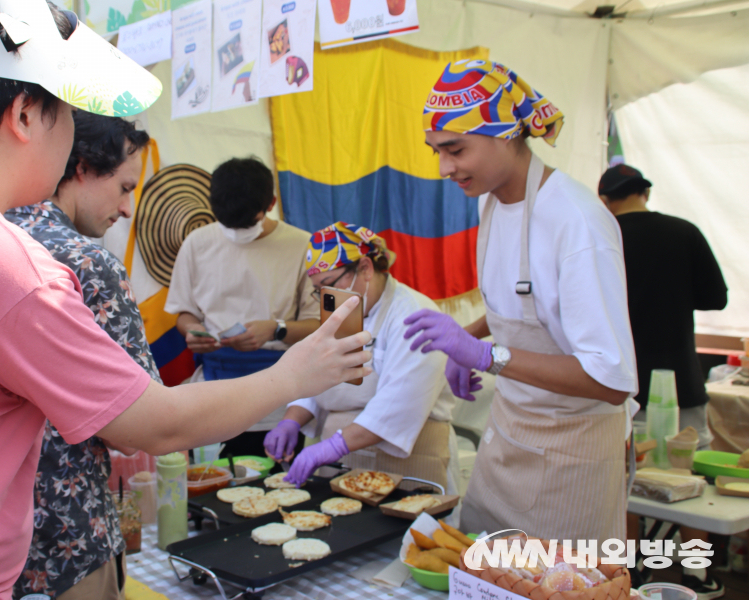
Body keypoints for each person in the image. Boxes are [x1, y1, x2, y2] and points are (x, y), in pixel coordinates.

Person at [0, 0, 371, 599]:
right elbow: (152, 425)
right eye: (68, 111)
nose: (71, 137)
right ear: (25, 114)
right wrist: (297, 373)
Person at [406, 59, 638, 542]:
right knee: (482, 575)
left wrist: (489, 356)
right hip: (510, 434)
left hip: (572, 453)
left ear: (507, 134)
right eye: (437, 152)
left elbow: (610, 377)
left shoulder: (576, 222)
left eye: (456, 150)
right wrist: (465, 339)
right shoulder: (489, 200)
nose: (446, 168)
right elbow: (521, 301)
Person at [5, 112, 154, 599]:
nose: (128, 208)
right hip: (69, 536)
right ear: (84, 167)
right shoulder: (87, 263)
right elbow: (143, 425)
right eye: (125, 186)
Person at [599, 163, 727, 599]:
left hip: (624, 387)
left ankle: (631, 573)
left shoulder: (606, 239)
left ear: (605, 201)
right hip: (683, 380)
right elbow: (717, 297)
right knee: (693, 481)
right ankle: (695, 573)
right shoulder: (684, 232)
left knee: (627, 480)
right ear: (645, 193)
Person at [265, 222, 461, 496]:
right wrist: (292, 420)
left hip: (412, 459)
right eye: (318, 289)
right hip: (347, 457)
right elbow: (320, 377)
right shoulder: (341, 308)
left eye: (330, 284)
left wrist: (331, 447)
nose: (326, 297)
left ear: (366, 268)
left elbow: (398, 405)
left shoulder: (415, 316)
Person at [165, 157, 321, 458]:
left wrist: (277, 328)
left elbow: (318, 324)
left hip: (278, 400)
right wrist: (192, 332)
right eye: (227, 224)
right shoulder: (197, 243)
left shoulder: (303, 245)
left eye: (247, 222)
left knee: (278, 494)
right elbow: (184, 313)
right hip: (213, 390)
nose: (236, 232)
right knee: (212, 487)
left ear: (271, 203)